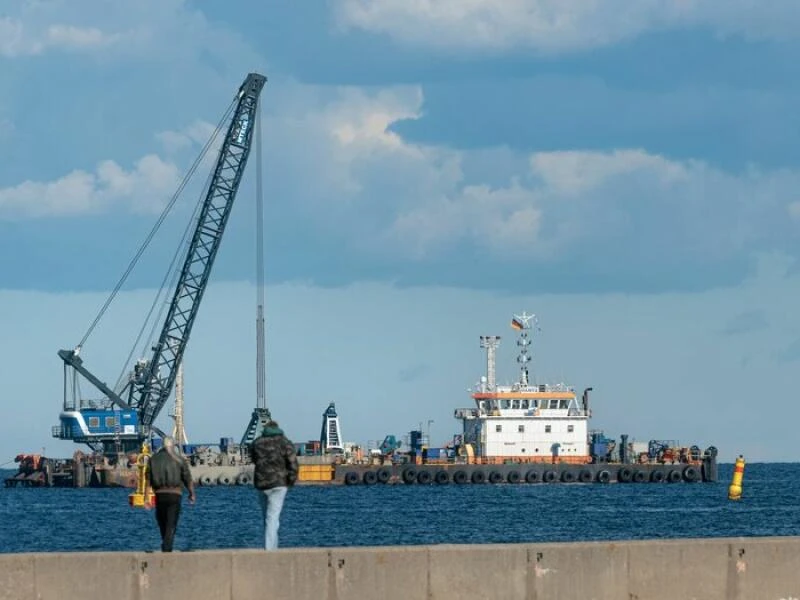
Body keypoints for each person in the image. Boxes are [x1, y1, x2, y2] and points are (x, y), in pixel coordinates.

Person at [251, 420, 298, 550]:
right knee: (273, 517)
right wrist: (291, 481)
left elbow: (253, 459)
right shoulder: (285, 442)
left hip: (262, 484)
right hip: (279, 484)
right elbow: (293, 463)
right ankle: (270, 550)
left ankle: (272, 548)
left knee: (267, 518)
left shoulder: (257, 443)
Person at [147, 436, 196, 552]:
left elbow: (148, 480)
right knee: (171, 522)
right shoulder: (179, 459)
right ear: (173, 446)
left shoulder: (153, 459)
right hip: (175, 494)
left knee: (162, 521)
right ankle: (167, 547)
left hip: (159, 495)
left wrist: (146, 498)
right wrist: (192, 494)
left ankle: (166, 545)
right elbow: (187, 478)